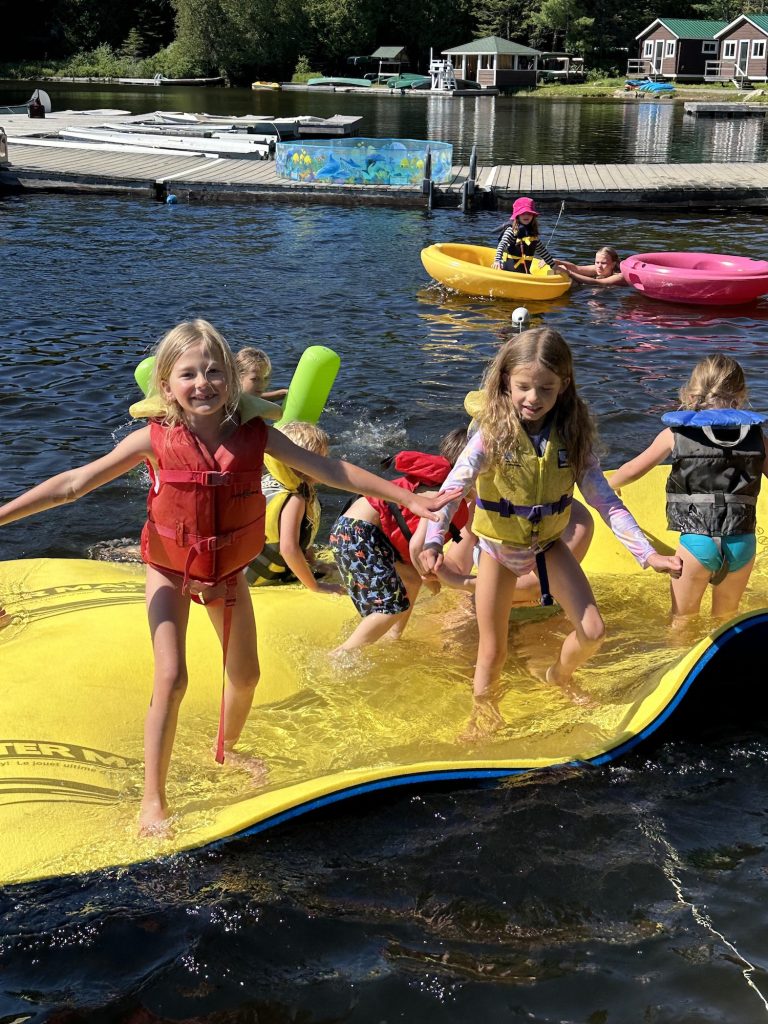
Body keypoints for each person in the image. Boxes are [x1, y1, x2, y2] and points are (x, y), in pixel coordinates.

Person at [0, 319, 458, 835]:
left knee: (246, 677)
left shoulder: (256, 436)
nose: (203, 383)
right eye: (188, 373)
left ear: (233, 381)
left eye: (214, 371)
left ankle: (229, 749)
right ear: (168, 385)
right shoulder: (151, 439)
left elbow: (331, 470)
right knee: (172, 679)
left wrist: (408, 497)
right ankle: (153, 800)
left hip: (228, 575)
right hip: (170, 571)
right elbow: (72, 484)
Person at [418, 328, 682, 717]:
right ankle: (483, 713)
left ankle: (559, 675)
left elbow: (604, 500)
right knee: (492, 649)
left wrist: (647, 554)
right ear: (506, 380)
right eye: (523, 386)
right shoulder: (490, 436)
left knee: (593, 632)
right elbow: (451, 490)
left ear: (564, 385)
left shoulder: (571, 437)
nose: (533, 398)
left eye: (546, 388)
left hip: (548, 546)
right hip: (497, 550)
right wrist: (433, 541)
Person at [609, 353, 767, 622]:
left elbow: (632, 470)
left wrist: (610, 485)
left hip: (697, 543)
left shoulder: (675, 435)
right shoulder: (758, 438)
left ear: (692, 392)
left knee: (682, 620)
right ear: (741, 395)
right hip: (742, 542)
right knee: (727, 619)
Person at [329, 430, 474, 654]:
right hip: (360, 533)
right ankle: (342, 655)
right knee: (390, 607)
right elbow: (417, 546)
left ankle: (393, 637)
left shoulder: (439, 484)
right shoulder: (443, 497)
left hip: (362, 531)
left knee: (410, 581)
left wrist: (419, 576)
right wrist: (429, 578)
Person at [245, 420, 343, 594]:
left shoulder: (271, 480)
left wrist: (313, 563)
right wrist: (315, 585)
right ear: (301, 465)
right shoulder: (294, 499)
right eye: (321, 459)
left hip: (244, 564)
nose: (326, 464)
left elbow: (305, 533)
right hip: (260, 579)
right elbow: (289, 549)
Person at [493, 196, 557, 274]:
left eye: (529, 213)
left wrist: (553, 265)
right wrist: (497, 260)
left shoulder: (533, 233)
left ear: (533, 216)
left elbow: (542, 250)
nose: (526, 215)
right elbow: (502, 244)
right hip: (509, 271)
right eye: (523, 213)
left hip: (524, 272)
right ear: (517, 216)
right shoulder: (512, 230)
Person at [554, 246, 626, 287]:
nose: (599, 266)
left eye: (603, 263)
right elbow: (577, 268)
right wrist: (557, 261)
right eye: (597, 262)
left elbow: (598, 282)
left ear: (613, 264)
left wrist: (569, 273)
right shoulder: (597, 268)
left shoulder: (620, 276)